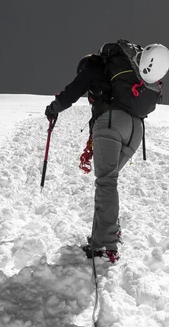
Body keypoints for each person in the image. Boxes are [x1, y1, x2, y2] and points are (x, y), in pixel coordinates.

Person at [45, 42, 144, 263]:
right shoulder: (122, 74)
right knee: (109, 181)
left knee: (106, 182)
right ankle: (107, 233)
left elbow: (71, 92)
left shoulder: (94, 66)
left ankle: (105, 245)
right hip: (136, 128)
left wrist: (53, 109)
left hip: (111, 122)